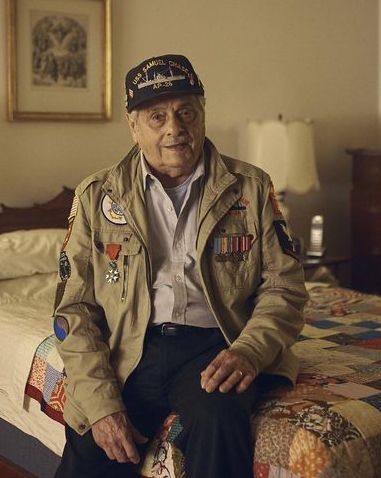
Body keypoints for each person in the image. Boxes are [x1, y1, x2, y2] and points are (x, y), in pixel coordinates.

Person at [53, 54, 306, 478]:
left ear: (202, 115)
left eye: (185, 112)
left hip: (216, 343)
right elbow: (74, 309)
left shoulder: (250, 187)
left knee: (220, 419)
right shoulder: (98, 195)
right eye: (157, 116)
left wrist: (249, 350)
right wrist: (101, 405)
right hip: (130, 349)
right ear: (133, 126)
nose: (175, 128)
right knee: (93, 440)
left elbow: (285, 288)